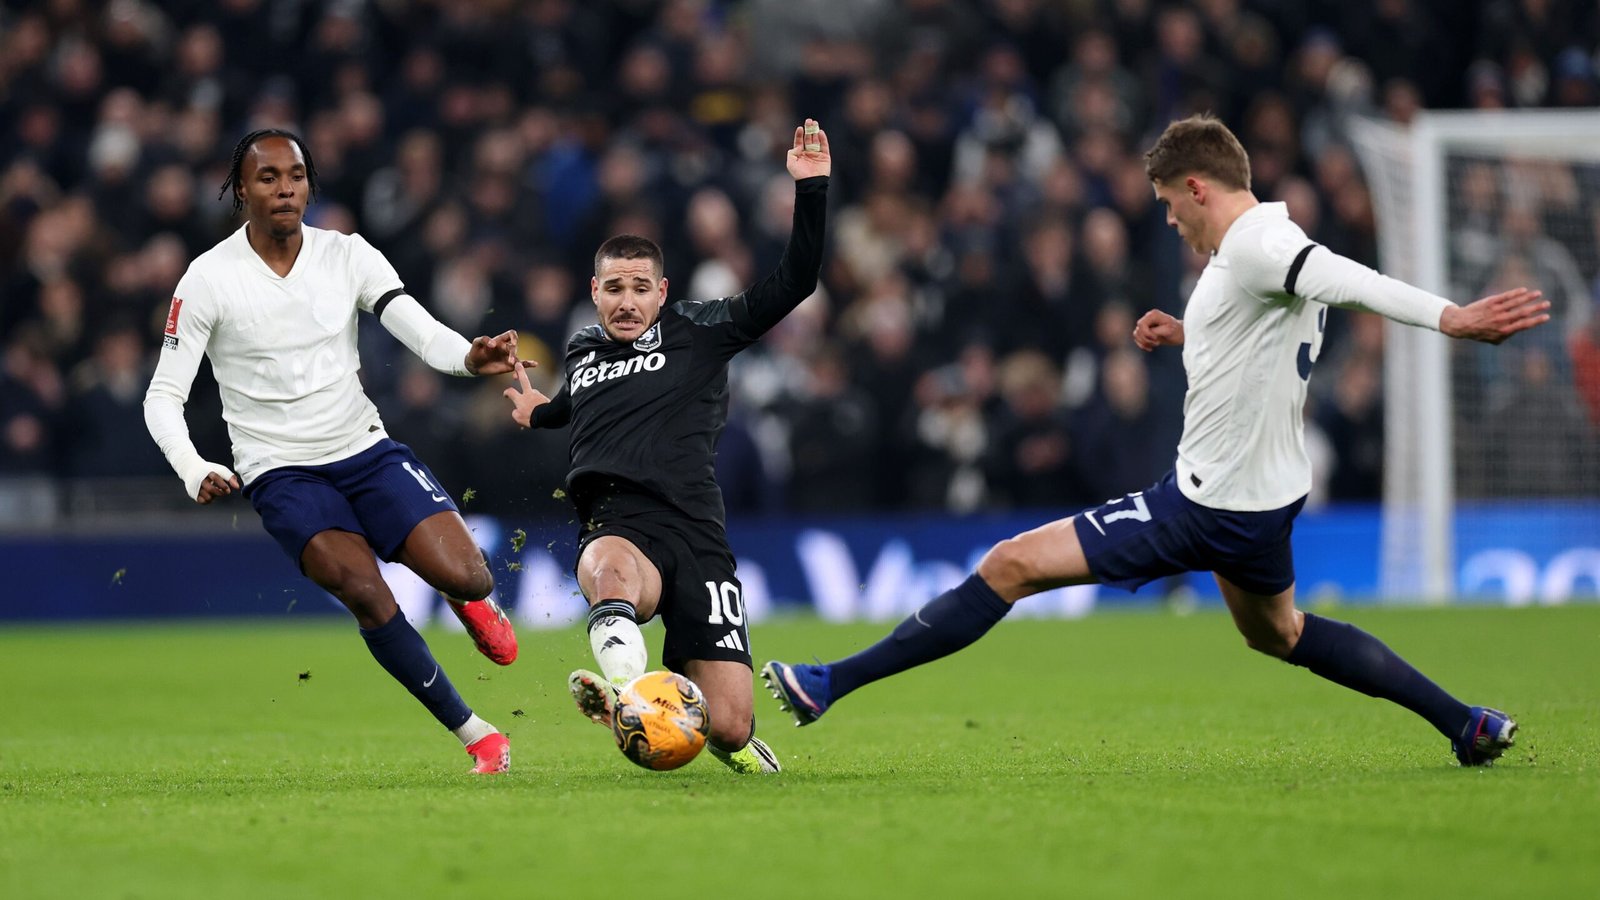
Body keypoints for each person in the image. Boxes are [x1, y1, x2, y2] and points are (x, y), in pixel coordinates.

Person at [763, 114, 1551, 768]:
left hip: (1206, 506)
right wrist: (1190, 332)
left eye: (1172, 204)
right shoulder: (1261, 242)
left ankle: (829, 681)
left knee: (1008, 566)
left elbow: (1348, 279)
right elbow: (1267, 324)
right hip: (1269, 499)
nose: (1171, 219)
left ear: (1199, 186)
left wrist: (1452, 317)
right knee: (1280, 633)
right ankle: (1465, 723)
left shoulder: (1257, 246)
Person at [144, 129, 522, 774]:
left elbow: (421, 333)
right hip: (281, 471)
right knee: (367, 593)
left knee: (470, 574)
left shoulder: (347, 254)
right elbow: (161, 397)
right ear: (242, 190)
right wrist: (196, 466)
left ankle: (468, 600)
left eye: (295, 176)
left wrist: (468, 357)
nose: (285, 188)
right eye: (268, 177)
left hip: (364, 448)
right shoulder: (207, 278)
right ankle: (478, 733)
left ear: (309, 185)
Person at [502, 118, 831, 774]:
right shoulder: (583, 351)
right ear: (595, 292)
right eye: (613, 288)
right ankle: (630, 693)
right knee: (610, 575)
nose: (626, 302)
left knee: (730, 727)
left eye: (639, 288)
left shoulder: (702, 329)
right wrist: (542, 414)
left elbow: (794, 281)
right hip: (619, 520)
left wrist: (812, 190)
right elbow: (575, 404)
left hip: (697, 531)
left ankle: (683, 717)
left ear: (662, 292)